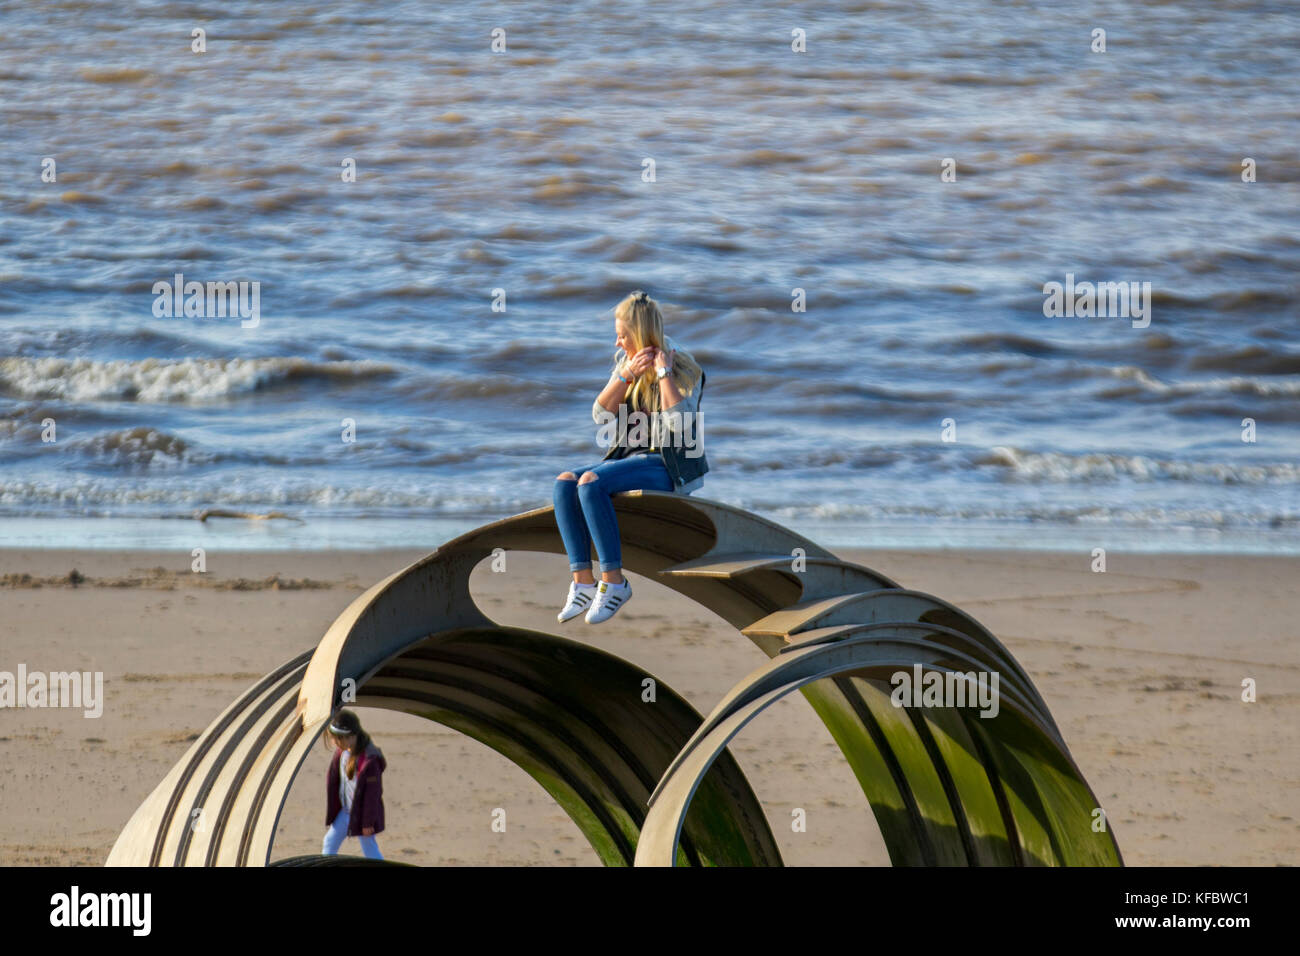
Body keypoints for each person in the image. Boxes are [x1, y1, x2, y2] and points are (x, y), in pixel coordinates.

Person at [553, 289, 709, 625]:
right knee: (566, 483)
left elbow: (680, 426)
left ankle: (614, 583)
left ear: (637, 334)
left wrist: (663, 374)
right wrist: (626, 377)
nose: (617, 343)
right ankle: (583, 583)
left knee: (591, 483)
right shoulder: (627, 366)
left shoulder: (683, 367)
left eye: (622, 336)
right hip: (631, 459)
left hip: (668, 467)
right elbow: (600, 414)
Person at [321, 709, 386, 859]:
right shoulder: (342, 752)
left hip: (361, 814)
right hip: (345, 811)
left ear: (350, 737)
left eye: (337, 739)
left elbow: (373, 795)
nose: (334, 743)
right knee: (329, 841)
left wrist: (368, 822)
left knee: (369, 848)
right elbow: (334, 781)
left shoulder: (369, 761)